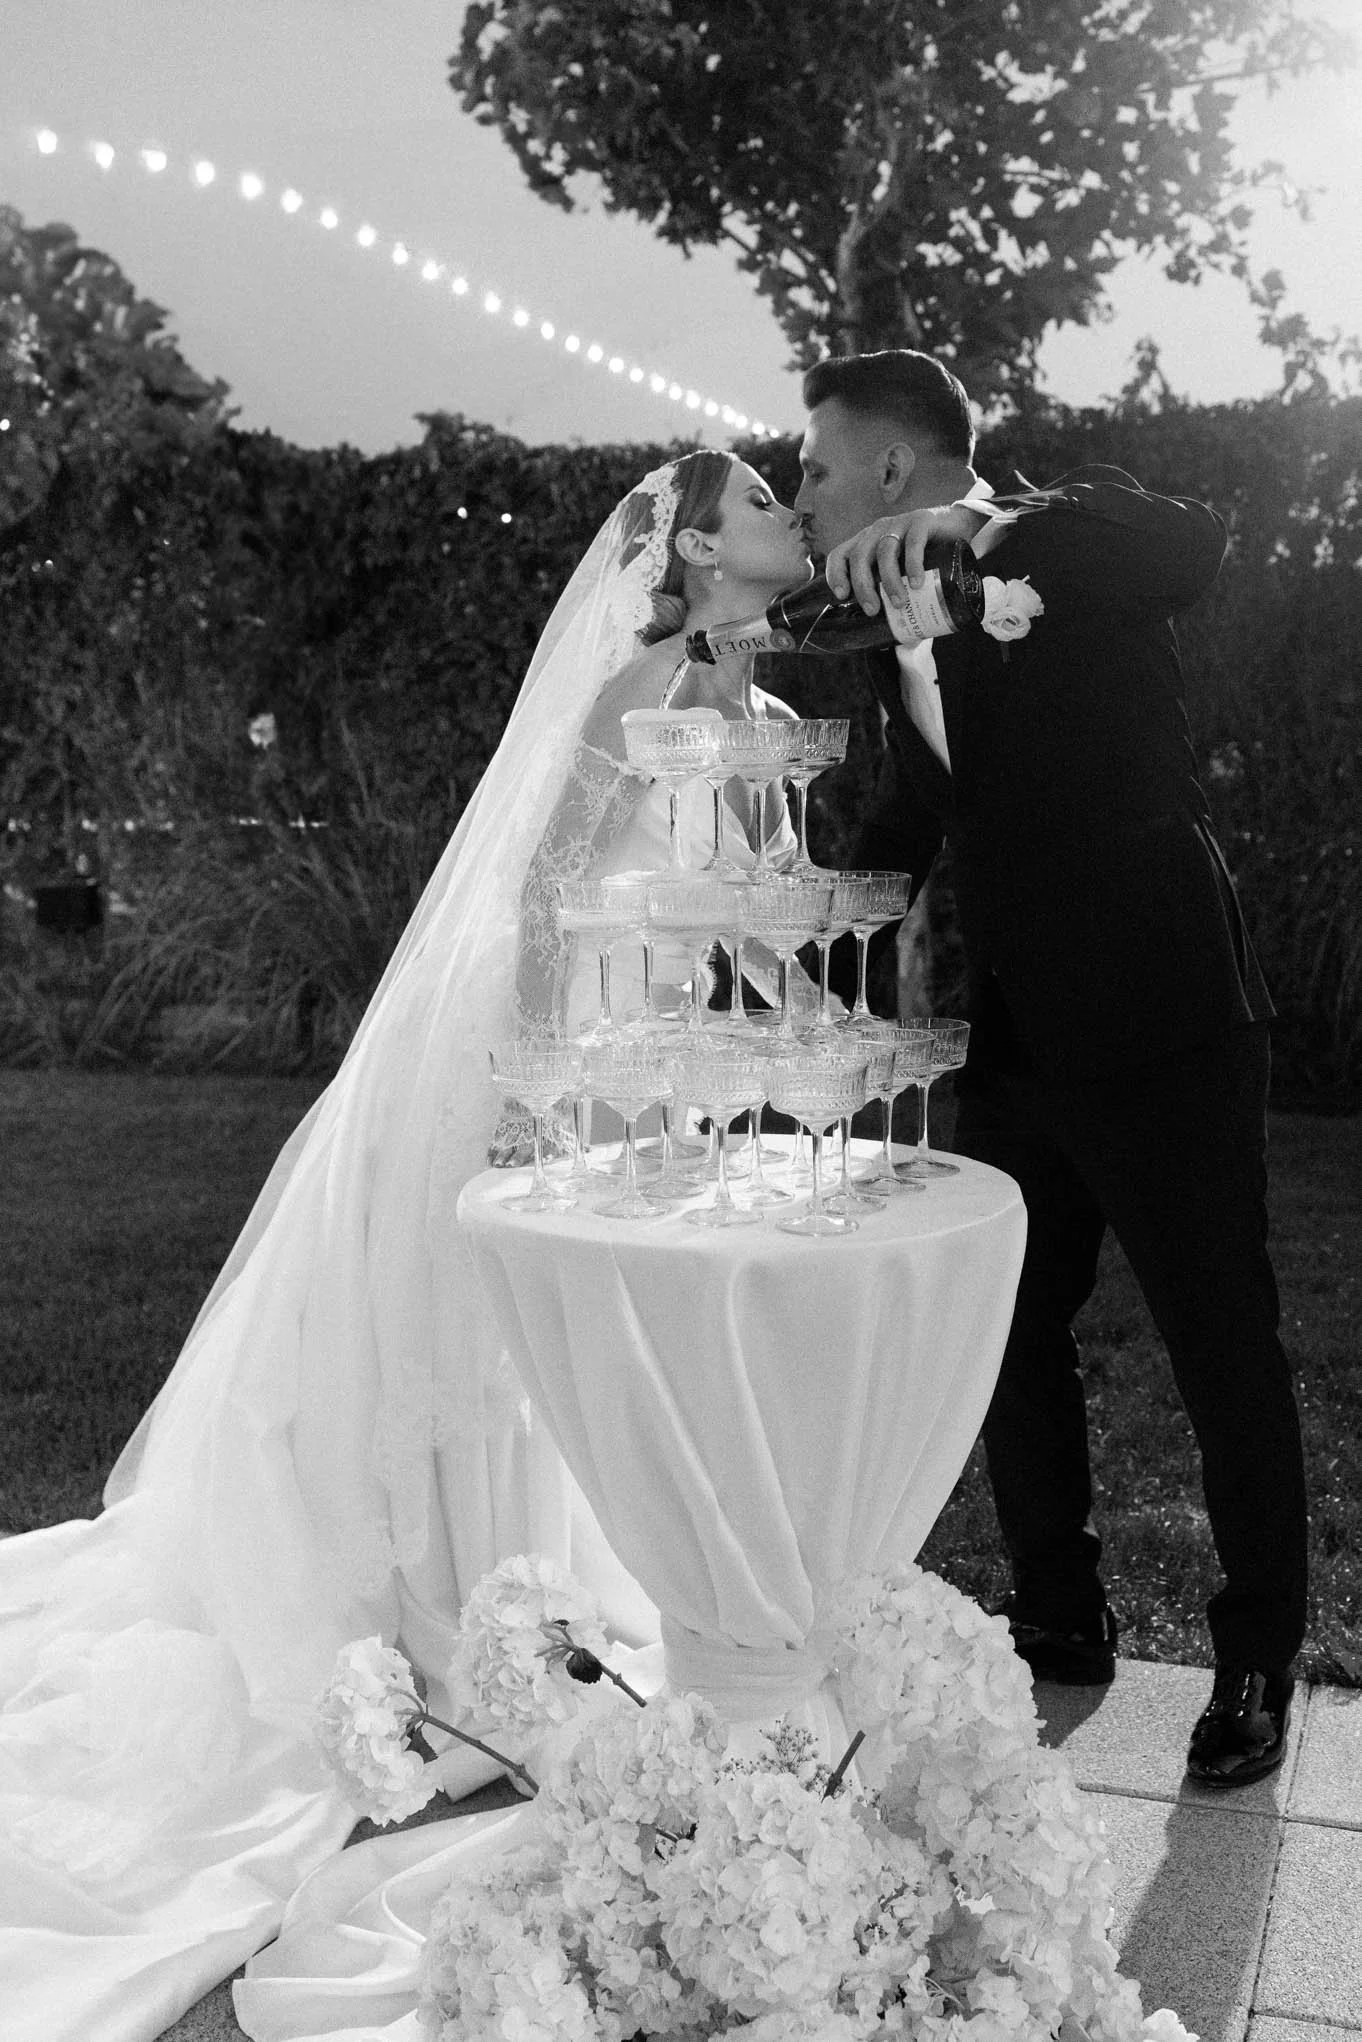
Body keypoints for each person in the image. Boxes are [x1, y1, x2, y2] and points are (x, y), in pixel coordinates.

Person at [0, 449, 810, 2042]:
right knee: (481, 1342)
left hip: (640, 1057)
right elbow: (552, 890)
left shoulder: (777, 719)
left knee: (575, 1344)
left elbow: (758, 922)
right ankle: (449, 1619)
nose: (791, 518)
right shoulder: (643, 677)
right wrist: (531, 1089)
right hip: (535, 1039)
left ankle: (535, 1604)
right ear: (700, 547)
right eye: (769, 505)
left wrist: (792, 1049)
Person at [793, 348, 1308, 1788]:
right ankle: (1059, 1612)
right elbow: (911, 817)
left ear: (896, 467)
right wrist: (770, 952)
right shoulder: (894, 628)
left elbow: (1193, 538)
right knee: (1009, 1335)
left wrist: (990, 531)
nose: (805, 489)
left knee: (1219, 1339)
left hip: (1165, 1022)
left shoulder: (1068, 551)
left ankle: (1257, 1654)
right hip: (1018, 1041)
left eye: (817, 463)